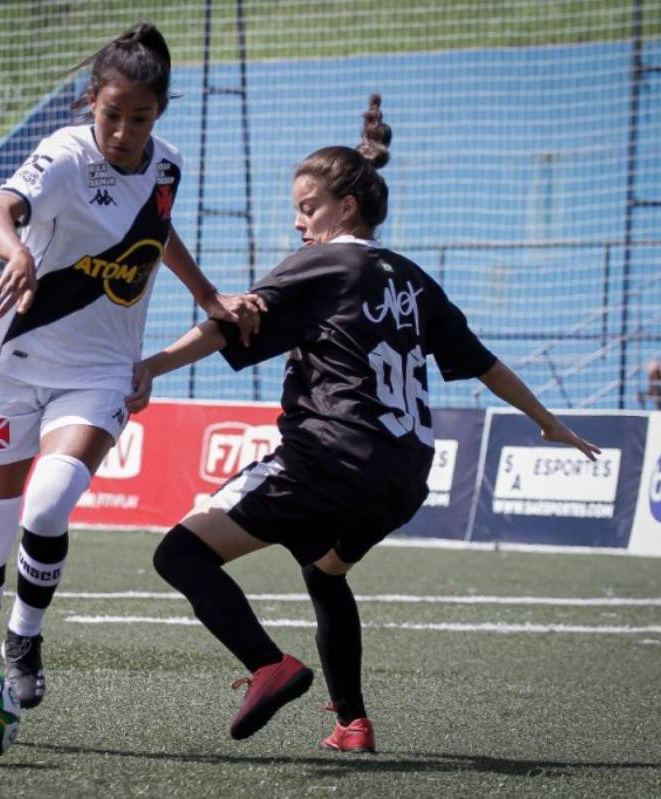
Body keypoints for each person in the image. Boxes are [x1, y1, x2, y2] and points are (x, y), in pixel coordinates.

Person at [127, 95, 601, 751]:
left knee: (179, 553)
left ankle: (269, 664)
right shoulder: (414, 280)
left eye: (307, 207)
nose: (297, 223)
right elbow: (486, 364)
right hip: (404, 476)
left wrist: (151, 364)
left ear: (345, 207)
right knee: (324, 570)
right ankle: (352, 721)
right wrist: (548, 422)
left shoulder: (325, 263)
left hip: (329, 458)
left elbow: (234, 319)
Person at [0, 21, 262, 710]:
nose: (124, 130)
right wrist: (18, 252)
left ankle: (24, 637)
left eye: (140, 117)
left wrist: (206, 293)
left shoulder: (168, 166)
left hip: (99, 371)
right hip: (17, 363)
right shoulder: (64, 158)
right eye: (112, 114)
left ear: (161, 112)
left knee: (49, 502)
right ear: (91, 101)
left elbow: (156, 226)